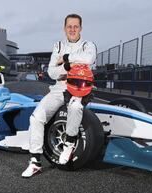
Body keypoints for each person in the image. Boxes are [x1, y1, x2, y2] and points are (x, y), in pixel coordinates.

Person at [22, 14, 97, 178]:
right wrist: (70, 66)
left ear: (81, 28)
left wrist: (65, 59)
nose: (72, 29)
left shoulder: (88, 45)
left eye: (75, 26)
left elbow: (89, 59)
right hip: (59, 88)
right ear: (64, 28)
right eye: (69, 26)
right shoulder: (58, 45)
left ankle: (69, 143)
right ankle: (35, 162)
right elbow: (52, 72)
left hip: (80, 87)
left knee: (75, 107)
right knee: (36, 118)